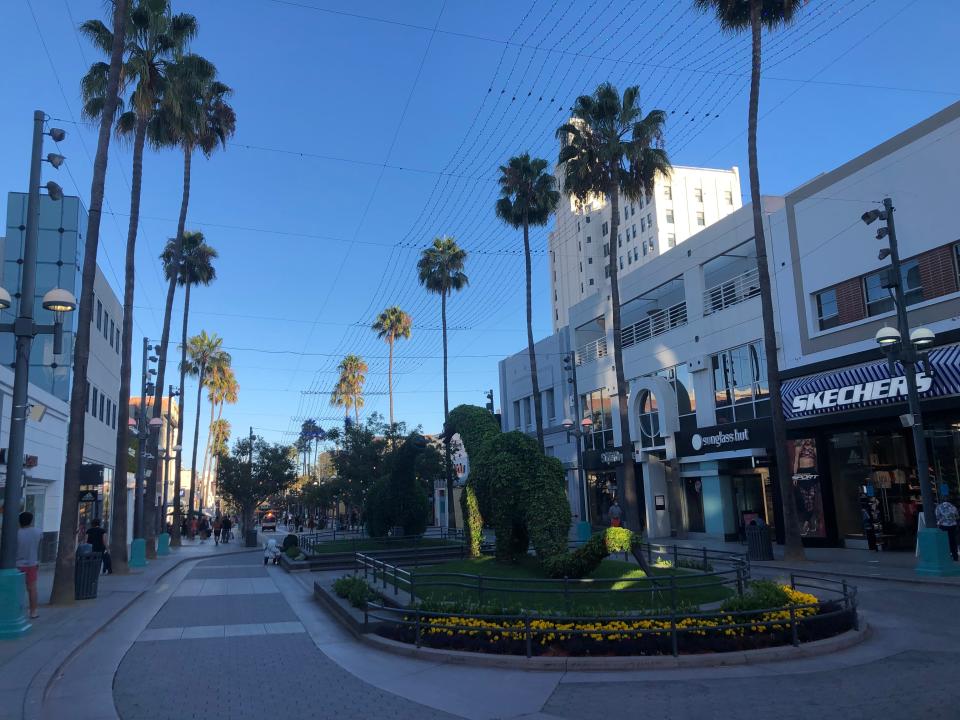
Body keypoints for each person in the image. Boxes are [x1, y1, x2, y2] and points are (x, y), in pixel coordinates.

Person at [16, 512, 43, 620]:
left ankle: (17, 611)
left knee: (17, 589)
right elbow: (40, 543)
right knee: (32, 588)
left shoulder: (16, 533)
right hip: (32, 563)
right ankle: (33, 611)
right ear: (31, 520)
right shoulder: (37, 532)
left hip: (17, 564)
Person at [935, 496, 959, 561]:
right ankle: (955, 556)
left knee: (944, 541)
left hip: (943, 526)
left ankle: (946, 556)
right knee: (952, 541)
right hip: (952, 526)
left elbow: (937, 516)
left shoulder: (939, 507)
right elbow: (957, 517)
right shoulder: (953, 507)